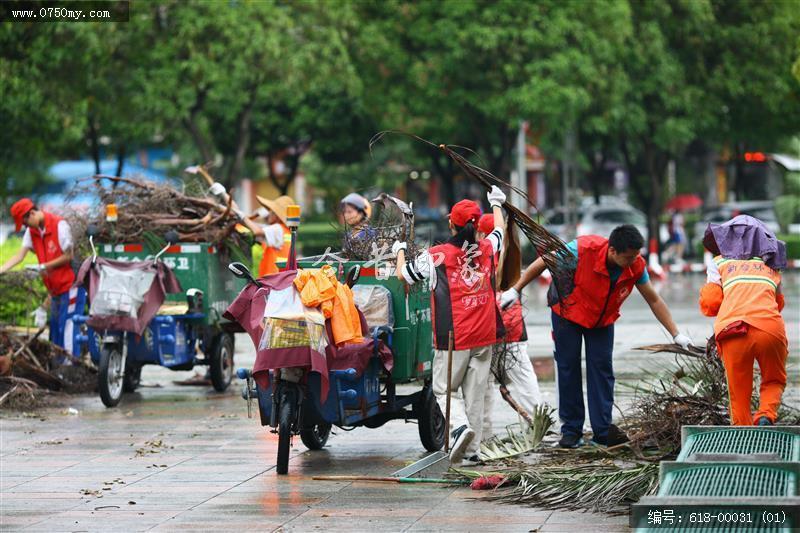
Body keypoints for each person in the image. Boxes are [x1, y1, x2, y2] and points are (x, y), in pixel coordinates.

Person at [500, 225, 692, 448]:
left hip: (602, 320)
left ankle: (602, 431)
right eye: (628, 257)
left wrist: (676, 334)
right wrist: (516, 289)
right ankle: (571, 430)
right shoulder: (581, 250)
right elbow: (545, 260)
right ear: (612, 251)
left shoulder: (635, 265)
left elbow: (654, 299)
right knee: (568, 367)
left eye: (636, 256)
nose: (633, 261)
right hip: (567, 313)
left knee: (601, 370)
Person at [392, 186, 507, 464]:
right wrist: (497, 203)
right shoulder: (488, 248)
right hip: (485, 334)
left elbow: (402, 275)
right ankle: (473, 451)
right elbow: (501, 230)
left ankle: (458, 427)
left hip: (453, 337)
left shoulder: (437, 255)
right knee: (475, 394)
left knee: (444, 389)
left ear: (451, 224)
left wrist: (399, 251)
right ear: (476, 225)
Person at [698, 215, 788, 426]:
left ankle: (742, 434)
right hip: (770, 328)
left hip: (733, 331)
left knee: (738, 392)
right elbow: (779, 303)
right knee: (774, 379)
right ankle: (766, 414)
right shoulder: (771, 265)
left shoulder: (719, 263)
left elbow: (711, 303)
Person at [476, 214, 541, 439]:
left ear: (483, 233)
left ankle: (484, 436)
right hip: (508, 328)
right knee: (523, 382)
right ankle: (537, 428)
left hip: (498, 328)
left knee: (484, 386)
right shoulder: (507, 252)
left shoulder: (484, 254)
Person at [0, 199, 86, 358]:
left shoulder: (59, 225)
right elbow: (20, 256)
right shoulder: (31, 232)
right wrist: (1, 269)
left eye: (25, 222)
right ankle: (58, 370)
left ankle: (70, 370)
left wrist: (43, 266)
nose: (26, 227)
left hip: (71, 286)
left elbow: (68, 256)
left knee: (67, 329)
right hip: (55, 291)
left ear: (32, 213)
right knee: (54, 331)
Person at [238, 195, 295, 277]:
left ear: (277, 215)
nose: (268, 214)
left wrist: (242, 216)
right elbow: (252, 225)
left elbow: (256, 230)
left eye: (271, 211)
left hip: (274, 279)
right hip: (280, 279)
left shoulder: (277, 228)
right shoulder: (284, 230)